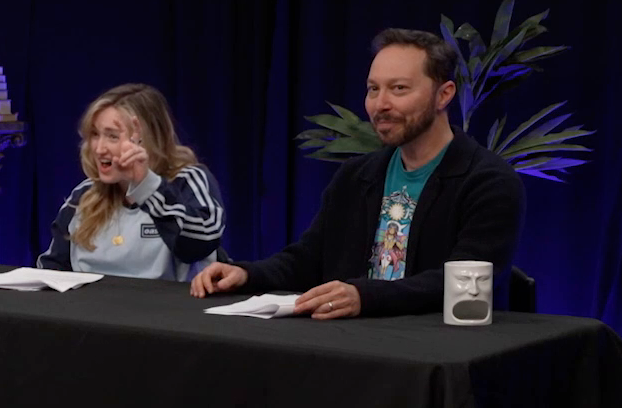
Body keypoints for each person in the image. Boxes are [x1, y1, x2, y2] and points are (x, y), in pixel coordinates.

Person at [191, 28, 524, 318]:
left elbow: (462, 283)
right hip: (354, 348)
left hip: (436, 355)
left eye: (399, 89)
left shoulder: (489, 182)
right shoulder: (356, 176)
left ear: (444, 94)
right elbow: (309, 259)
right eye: (373, 89)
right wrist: (246, 274)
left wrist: (365, 296)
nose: (380, 104)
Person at [36, 84, 224, 279]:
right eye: (95, 134)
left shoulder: (188, 181)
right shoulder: (84, 195)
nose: (99, 149)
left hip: (167, 308)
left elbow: (199, 245)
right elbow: (52, 269)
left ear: (146, 139)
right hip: (89, 308)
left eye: (112, 136)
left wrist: (145, 184)